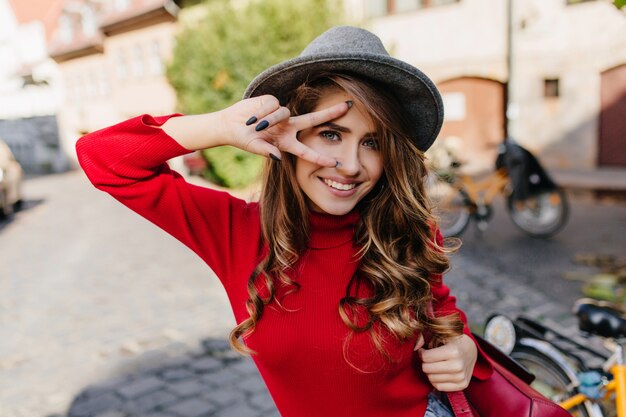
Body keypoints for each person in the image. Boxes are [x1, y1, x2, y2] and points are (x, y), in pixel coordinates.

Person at [77, 26, 492, 417]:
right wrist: (220, 125)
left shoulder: (404, 230)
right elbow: (104, 159)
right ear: (289, 135)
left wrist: (465, 350)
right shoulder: (235, 231)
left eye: (372, 143)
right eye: (330, 133)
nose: (349, 165)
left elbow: (444, 318)